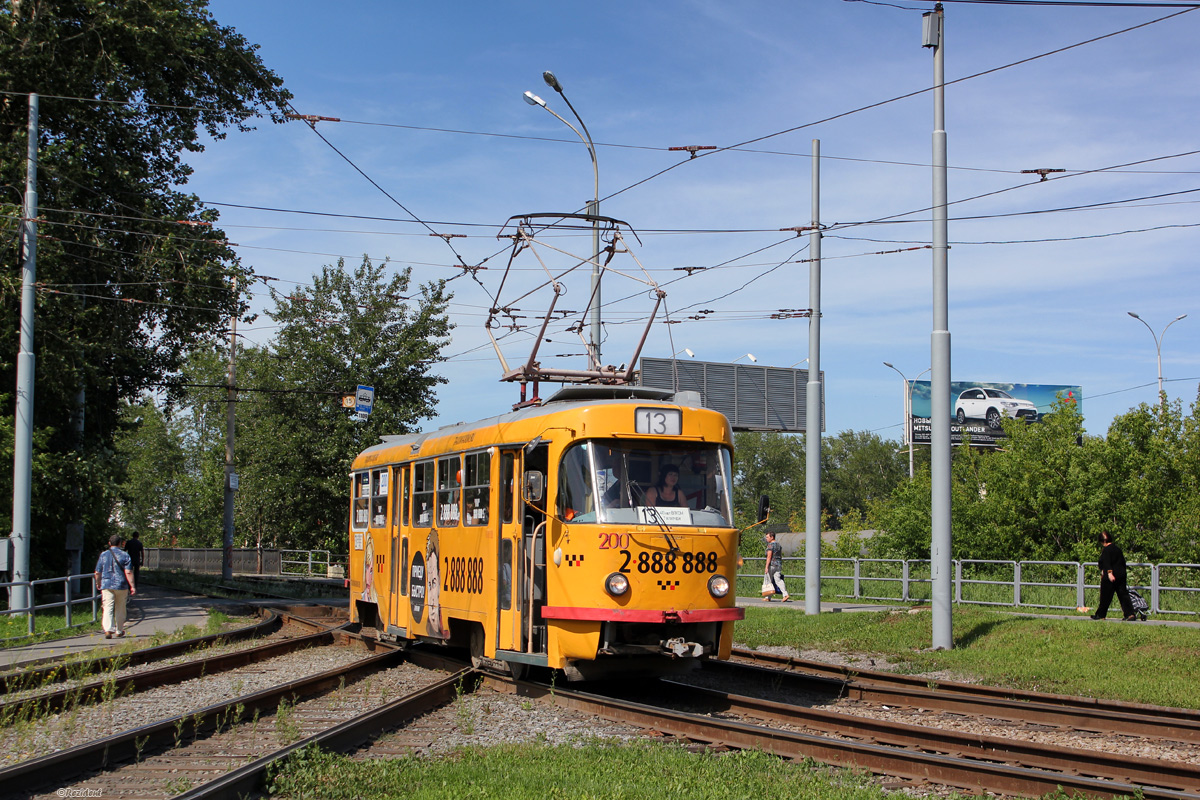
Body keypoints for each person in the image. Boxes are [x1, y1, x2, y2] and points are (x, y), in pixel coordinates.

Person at [94, 534, 136, 638]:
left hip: (106, 584)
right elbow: (129, 572)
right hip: (121, 585)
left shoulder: (103, 555)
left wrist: (98, 582)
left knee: (107, 607)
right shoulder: (125, 555)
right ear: (120, 543)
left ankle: (108, 629)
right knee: (120, 608)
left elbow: (97, 572)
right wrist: (132, 586)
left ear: (109, 543)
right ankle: (119, 630)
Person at [1092, 531, 1136, 621]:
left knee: (1105, 596)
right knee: (1123, 595)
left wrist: (1109, 573)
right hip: (1121, 575)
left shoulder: (1107, 550)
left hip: (1110, 576)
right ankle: (1130, 614)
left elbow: (1107, 562)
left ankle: (1101, 615)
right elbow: (1122, 562)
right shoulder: (1117, 549)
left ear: (1103, 541)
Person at [762, 531, 791, 602]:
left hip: (771, 564)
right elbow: (780, 555)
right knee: (778, 580)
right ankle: (785, 594)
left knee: (768, 580)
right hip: (778, 564)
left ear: (772, 537)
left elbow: (769, 556)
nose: (766, 539)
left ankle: (768, 597)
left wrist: (766, 567)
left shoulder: (770, 545)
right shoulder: (778, 545)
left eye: (767, 537)